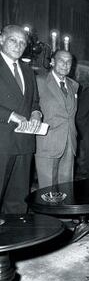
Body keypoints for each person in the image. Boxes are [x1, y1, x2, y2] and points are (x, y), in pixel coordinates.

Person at [0, 25, 42, 213]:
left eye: (22, 42)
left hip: (24, 141)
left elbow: (34, 102)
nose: (18, 46)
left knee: (18, 199)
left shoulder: (27, 71)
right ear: (1, 39)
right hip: (2, 141)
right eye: (13, 40)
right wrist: (9, 115)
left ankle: (16, 237)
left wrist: (36, 113)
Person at [35, 50, 79, 188]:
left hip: (69, 143)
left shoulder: (74, 85)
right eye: (61, 60)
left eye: (69, 62)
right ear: (52, 62)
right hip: (47, 142)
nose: (65, 64)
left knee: (66, 190)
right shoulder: (39, 81)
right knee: (47, 190)